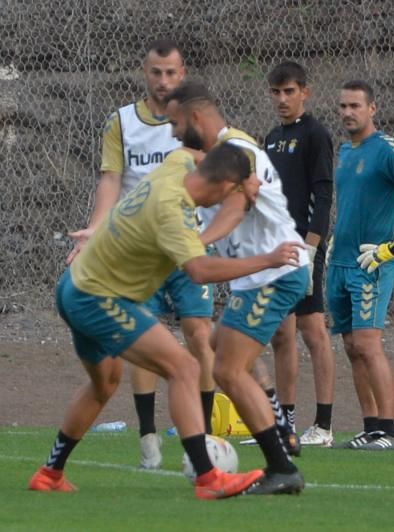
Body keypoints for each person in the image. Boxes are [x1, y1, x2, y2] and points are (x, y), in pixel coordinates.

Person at [28, 142, 300, 499]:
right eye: (232, 194)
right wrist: (267, 260)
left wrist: (245, 177)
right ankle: (208, 478)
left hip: (75, 285)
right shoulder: (173, 212)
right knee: (184, 368)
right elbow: (199, 270)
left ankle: (50, 473)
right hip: (97, 298)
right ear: (221, 187)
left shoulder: (174, 168)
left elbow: (195, 152)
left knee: (105, 382)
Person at [67, 38, 217, 470]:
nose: (164, 80)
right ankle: (148, 434)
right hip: (137, 254)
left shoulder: (194, 120)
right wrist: (95, 230)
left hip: (186, 245)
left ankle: (201, 440)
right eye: (156, 72)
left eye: (171, 73)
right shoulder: (122, 122)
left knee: (199, 334)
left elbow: (214, 174)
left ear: (183, 73)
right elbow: (111, 180)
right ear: (144, 72)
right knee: (145, 336)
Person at [165, 81, 309, 493]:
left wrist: (197, 243)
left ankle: (282, 466)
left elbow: (236, 206)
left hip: (276, 271)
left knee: (227, 368)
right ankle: (281, 432)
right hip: (256, 276)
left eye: (175, 123)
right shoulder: (216, 155)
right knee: (221, 355)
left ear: (196, 118)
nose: (173, 132)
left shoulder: (238, 152)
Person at [328, 80, 394, 451]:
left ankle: (390, 430)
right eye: (343, 106)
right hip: (339, 262)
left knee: (369, 344)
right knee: (353, 346)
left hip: (370, 263)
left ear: (373, 108)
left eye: (355, 105)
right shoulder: (344, 150)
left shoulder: (387, 148)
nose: (347, 112)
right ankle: (371, 427)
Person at [246, 61, 337, 448]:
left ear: (305, 92)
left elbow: (323, 194)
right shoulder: (270, 138)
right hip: (274, 248)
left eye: (289, 91)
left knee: (313, 331)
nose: (282, 99)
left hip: (304, 248)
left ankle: (325, 425)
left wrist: (313, 248)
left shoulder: (316, 134)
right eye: (276, 92)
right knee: (281, 335)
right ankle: (285, 424)